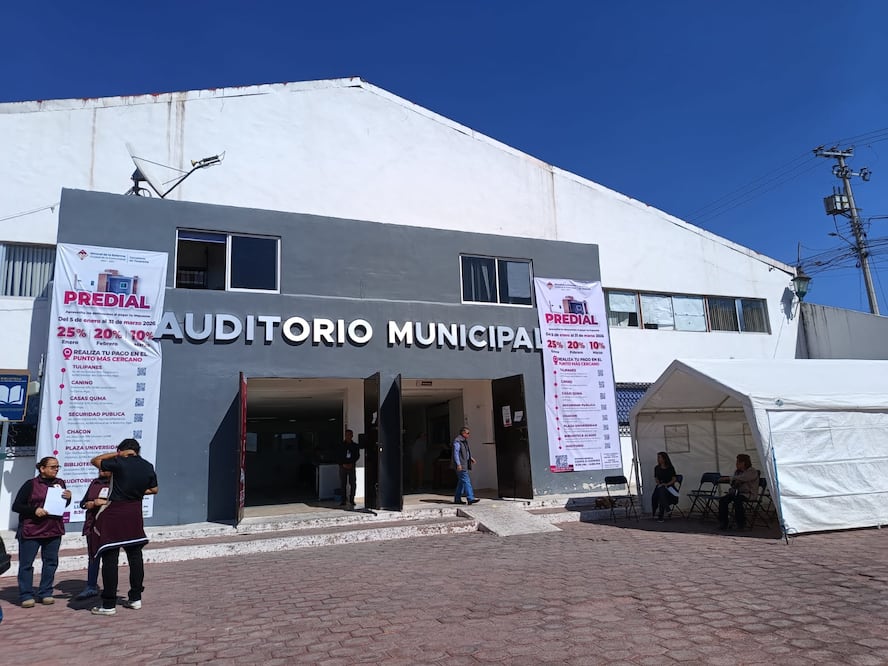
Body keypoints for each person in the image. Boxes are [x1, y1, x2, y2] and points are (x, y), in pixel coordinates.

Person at [89, 438, 158, 616]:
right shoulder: (147, 465)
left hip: (116, 513)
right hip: (134, 513)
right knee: (135, 557)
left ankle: (109, 604)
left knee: (110, 558)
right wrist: (135, 490)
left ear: (122, 450)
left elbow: (95, 461)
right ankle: (135, 598)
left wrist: (118, 454)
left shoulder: (120, 462)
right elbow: (154, 489)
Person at [11, 456, 72, 607]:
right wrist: (34, 510)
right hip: (32, 530)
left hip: (53, 529)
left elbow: (61, 505)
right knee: (26, 564)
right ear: (42, 469)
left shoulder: (60, 483)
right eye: (52, 467)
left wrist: (68, 498)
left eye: (57, 466)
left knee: (51, 562)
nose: (56, 469)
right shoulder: (30, 484)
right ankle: (26, 594)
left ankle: (46, 592)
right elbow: (17, 506)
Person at [75, 467, 112, 600]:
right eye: (100, 468)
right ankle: (91, 587)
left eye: (105, 468)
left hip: (109, 527)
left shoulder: (117, 483)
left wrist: (103, 502)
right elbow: (82, 503)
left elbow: (122, 503)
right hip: (92, 525)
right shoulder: (95, 483)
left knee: (109, 559)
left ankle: (109, 589)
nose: (101, 470)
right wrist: (88, 504)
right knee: (93, 557)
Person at [718, 453, 760, 530]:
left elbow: (743, 478)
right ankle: (723, 522)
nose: (736, 464)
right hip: (738, 493)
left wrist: (729, 478)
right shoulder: (737, 472)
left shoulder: (752, 471)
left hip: (748, 494)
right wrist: (733, 482)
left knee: (738, 500)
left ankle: (741, 523)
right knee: (723, 500)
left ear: (743, 463)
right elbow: (734, 483)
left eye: (738, 462)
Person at [452, 427, 479, 505]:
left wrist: (470, 458)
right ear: (463, 433)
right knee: (466, 481)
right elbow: (456, 453)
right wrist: (458, 464)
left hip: (464, 464)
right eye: (467, 433)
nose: (469, 435)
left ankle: (457, 499)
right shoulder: (457, 441)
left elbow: (466, 452)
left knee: (461, 482)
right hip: (461, 465)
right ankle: (470, 498)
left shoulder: (464, 441)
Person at [651, 451, 678, 523]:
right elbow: (656, 478)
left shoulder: (670, 468)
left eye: (659, 457)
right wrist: (660, 484)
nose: (658, 459)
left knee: (661, 493)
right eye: (658, 457)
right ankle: (667, 509)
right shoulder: (656, 468)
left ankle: (661, 516)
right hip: (660, 486)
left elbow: (674, 479)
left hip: (669, 487)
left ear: (664, 458)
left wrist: (666, 484)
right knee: (661, 491)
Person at [338, 429, 360, 507]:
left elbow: (357, 456)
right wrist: (343, 464)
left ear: (352, 436)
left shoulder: (355, 446)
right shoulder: (341, 445)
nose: (348, 436)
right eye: (347, 435)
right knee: (343, 484)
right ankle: (343, 500)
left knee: (353, 484)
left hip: (351, 467)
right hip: (343, 466)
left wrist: (351, 463)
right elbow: (337, 455)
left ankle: (352, 500)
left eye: (350, 435)